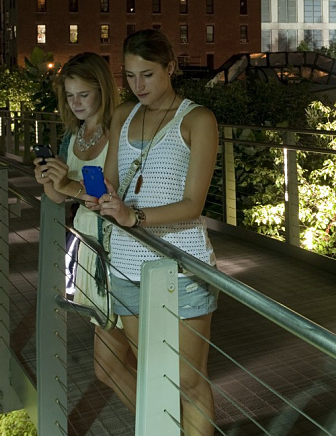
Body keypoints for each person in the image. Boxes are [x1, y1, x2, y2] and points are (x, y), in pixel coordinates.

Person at [89, 30, 219, 435]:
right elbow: (110, 182)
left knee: (188, 380)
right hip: (127, 266)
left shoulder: (197, 119)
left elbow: (192, 204)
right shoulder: (122, 115)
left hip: (182, 266)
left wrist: (134, 217)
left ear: (171, 68)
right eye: (129, 76)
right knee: (153, 374)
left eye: (147, 74)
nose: (138, 85)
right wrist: (95, 196)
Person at [32, 52, 119, 320]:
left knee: (118, 330)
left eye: (83, 94)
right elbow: (58, 197)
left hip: (117, 241)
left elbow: (109, 194)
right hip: (86, 240)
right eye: (70, 96)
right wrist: (48, 178)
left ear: (102, 90)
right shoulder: (73, 135)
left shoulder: (119, 130)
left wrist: (67, 183)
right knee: (103, 329)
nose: (76, 103)